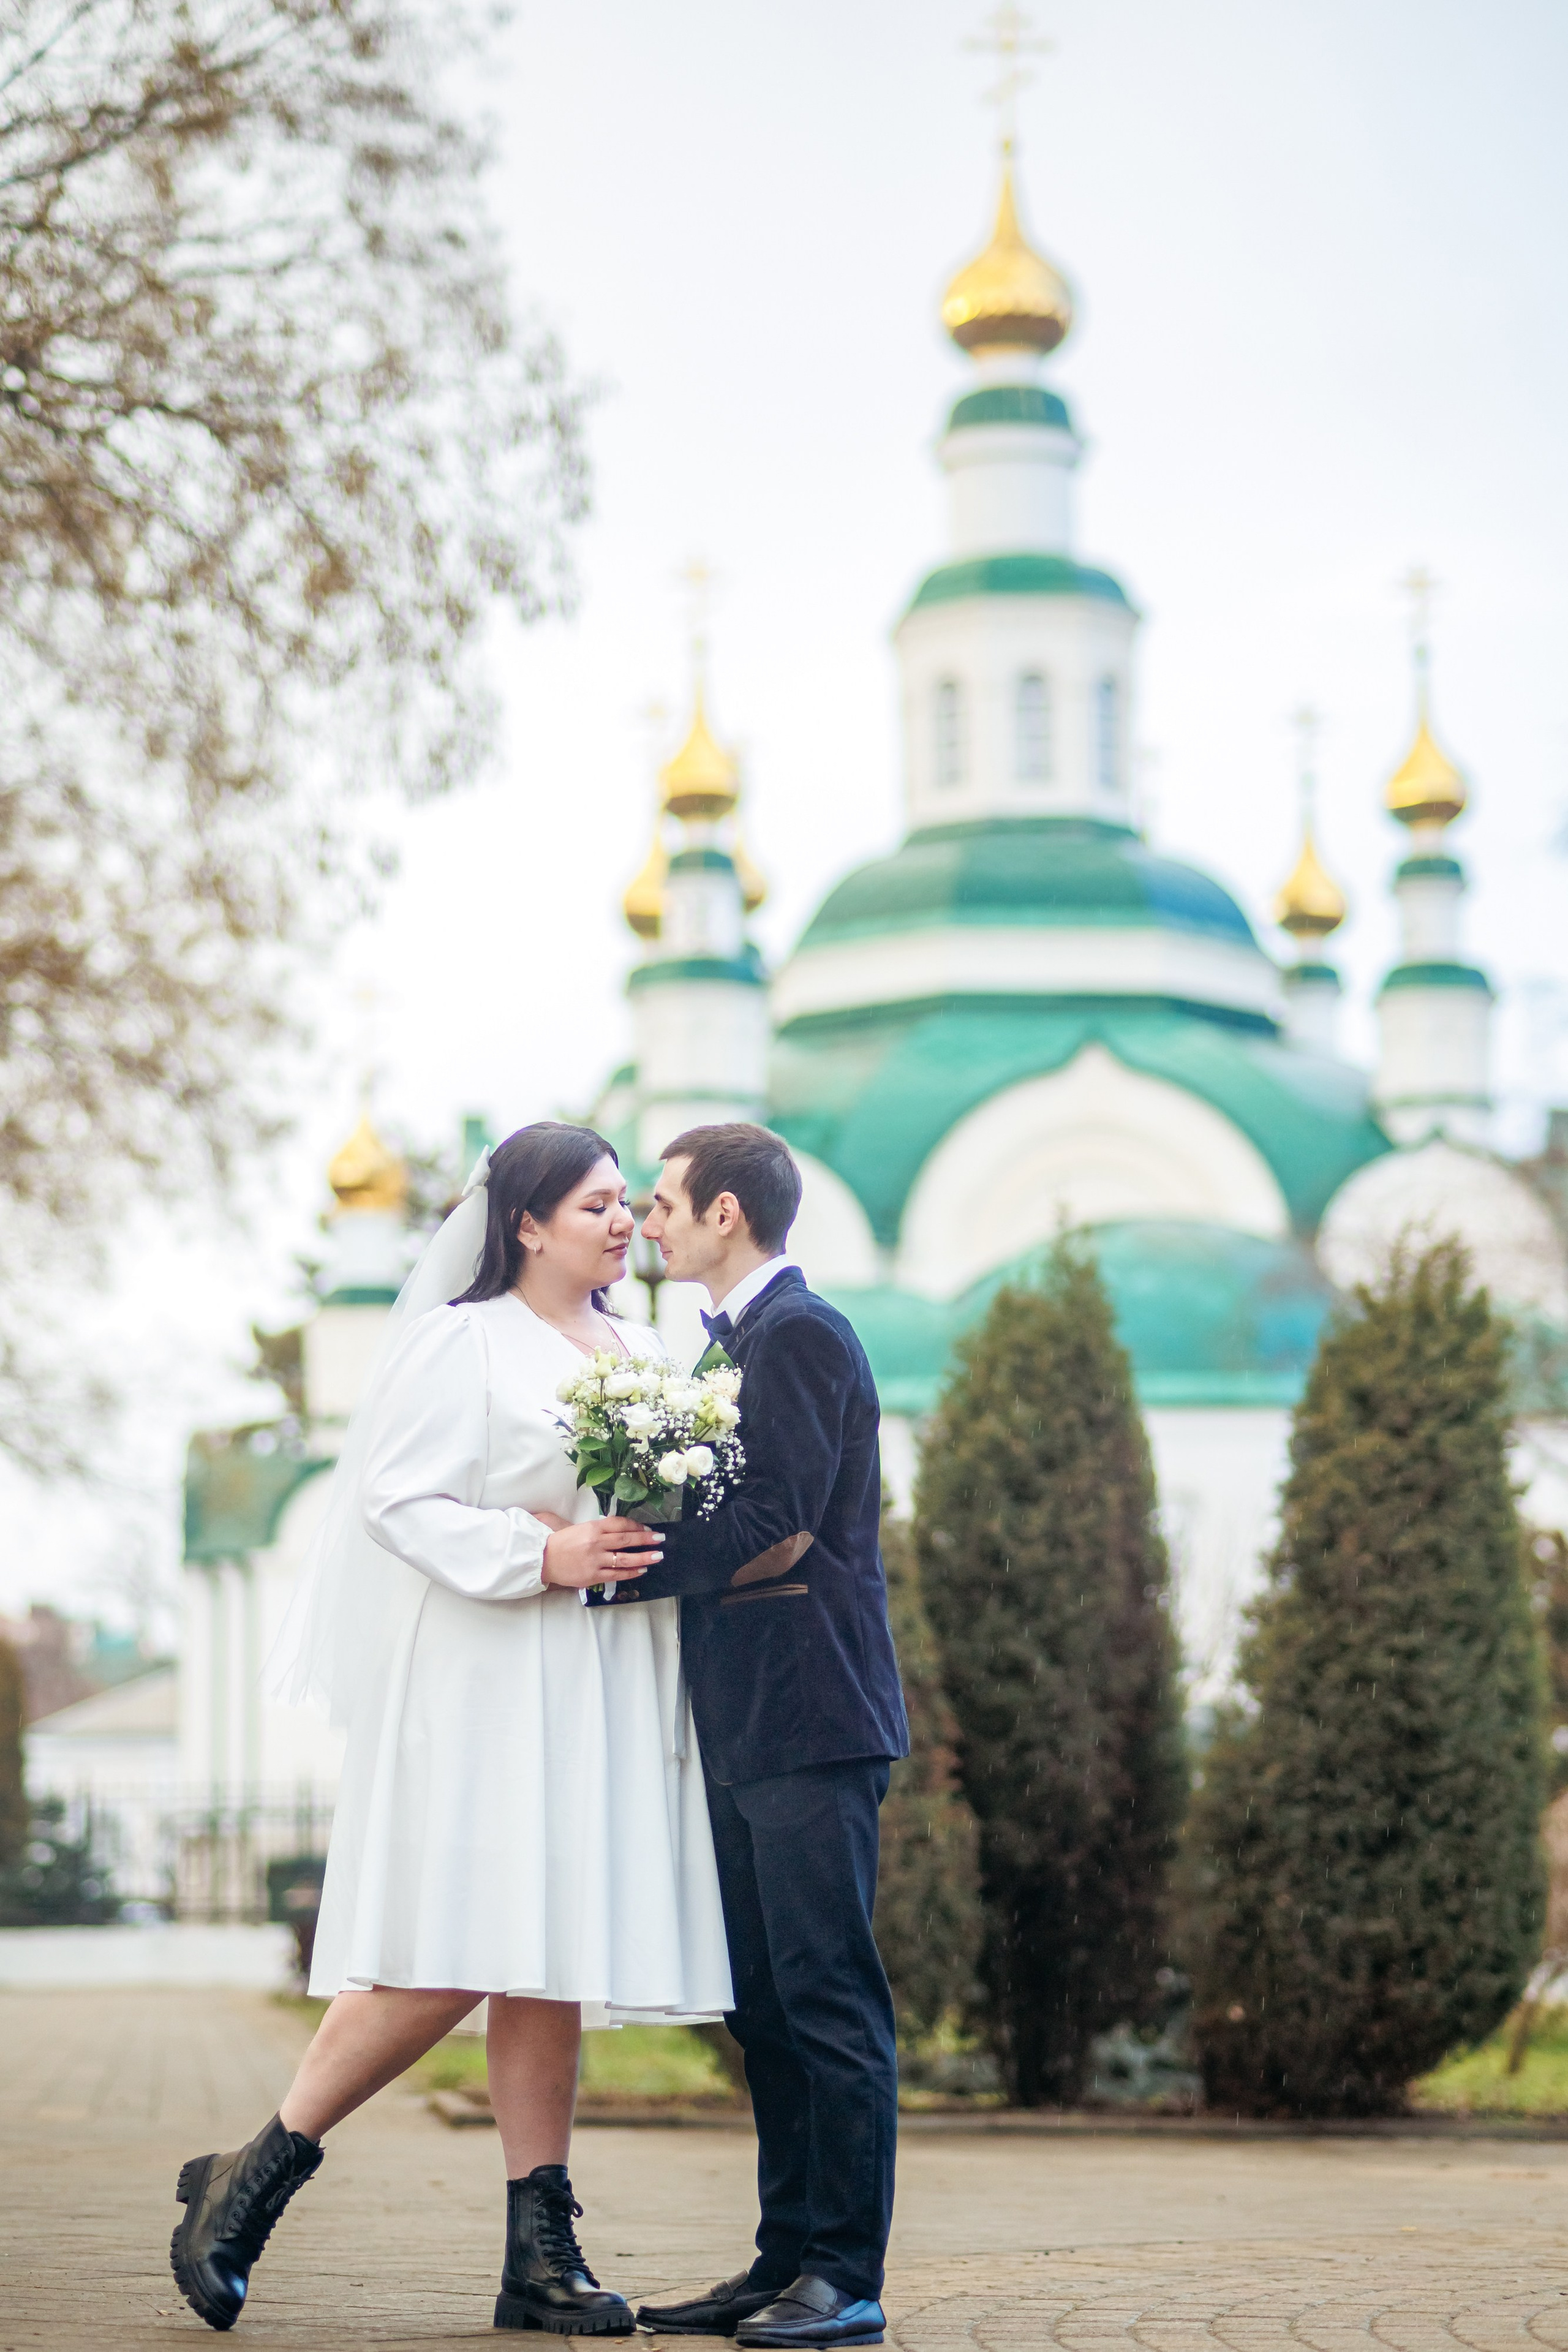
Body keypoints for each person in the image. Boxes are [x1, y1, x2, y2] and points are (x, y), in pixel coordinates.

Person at [168, 1123, 733, 2336]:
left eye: (626, 1203)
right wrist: (541, 1549)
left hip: (591, 1672)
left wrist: (647, 1533)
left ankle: (540, 2254)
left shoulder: (642, 1346)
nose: (623, 1222)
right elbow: (391, 1500)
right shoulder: (458, 1343)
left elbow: (661, 1506)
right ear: (524, 1223)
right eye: (594, 1205)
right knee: (452, 1946)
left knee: (547, 1951)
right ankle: (251, 2179)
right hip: (481, 1671)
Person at [610, 1123, 909, 2351]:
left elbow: (778, 1525)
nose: (648, 1218)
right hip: (746, 1720)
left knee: (827, 1998)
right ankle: (779, 2260)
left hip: (812, 1711)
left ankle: (844, 2275)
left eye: (666, 1200)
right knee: (763, 2009)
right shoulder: (726, 1348)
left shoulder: (801, 1337)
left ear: (726, 1213)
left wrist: (613, 1572)